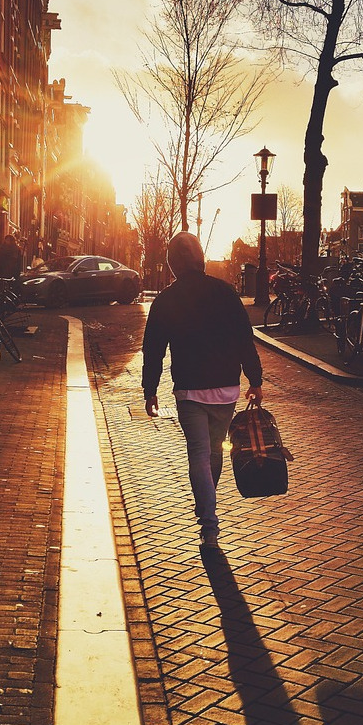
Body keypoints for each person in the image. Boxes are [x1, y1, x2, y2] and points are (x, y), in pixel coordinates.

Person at [142, 232, 263, 549]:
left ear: (172, 264)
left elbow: (153, 350)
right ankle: (207, 505)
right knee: (213, 451)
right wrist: (256, 379)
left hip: (190, 391)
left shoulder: (166, 300)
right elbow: (243, 339)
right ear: (201, 258)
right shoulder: (225, 293)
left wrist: (150, 389)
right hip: (226, 388)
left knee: (199, 453)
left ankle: (208, 523)